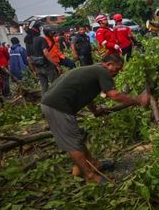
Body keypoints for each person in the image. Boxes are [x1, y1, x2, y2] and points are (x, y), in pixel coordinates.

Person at [40, 54, 150, 183]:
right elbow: (114, 95)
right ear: (108, 64)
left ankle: (93, 163)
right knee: (73, 143)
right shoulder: (101, 71)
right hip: (57, 106)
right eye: (117, 69)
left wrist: (95, 110)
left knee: (77, 138)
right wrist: (137, 100)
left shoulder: (93, 71)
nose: (117, 73)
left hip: (55, 104)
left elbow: (87, 94)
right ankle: (90, 176)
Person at [28, 22, 59, 93]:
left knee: (44, 86)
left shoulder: (28, 42)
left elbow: (28, 58)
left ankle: (45, 101)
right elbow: (46, 54)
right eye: (39, 28)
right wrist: (55, 64)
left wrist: (34, 70)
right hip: (47, 66)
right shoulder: (41, 39)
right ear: (37, 29)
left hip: (37, 67)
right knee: (55, 84)